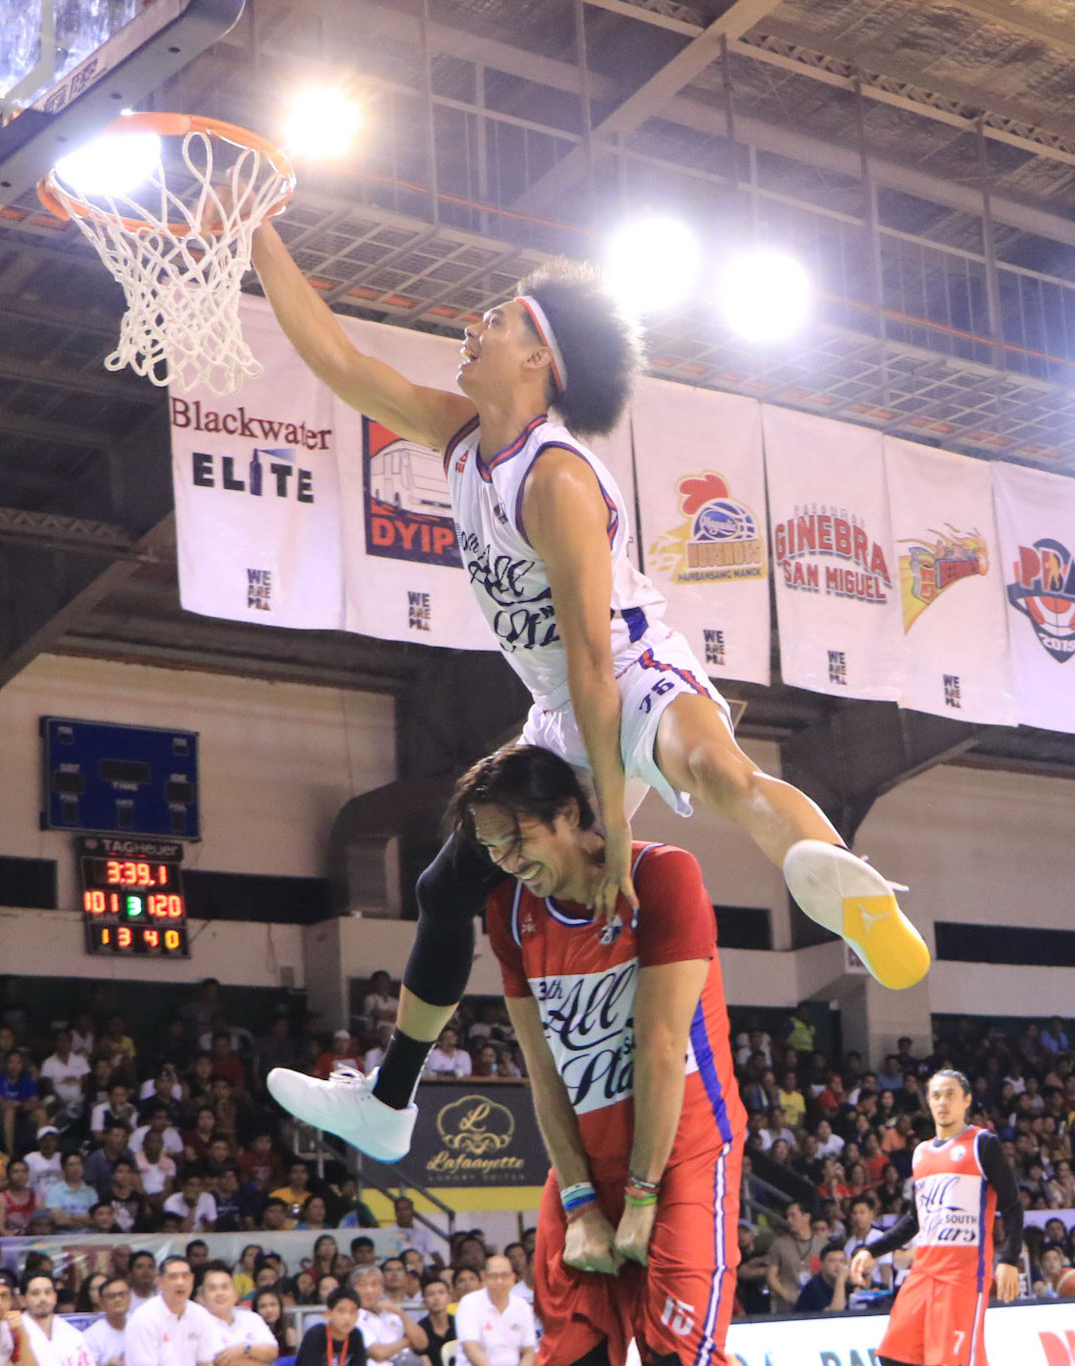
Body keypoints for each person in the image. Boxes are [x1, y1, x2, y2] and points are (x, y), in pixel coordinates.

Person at [252, 231, 929, 1162]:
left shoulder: (557, 479)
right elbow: (337, 358)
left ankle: (837, 878)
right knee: (446, 888)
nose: (470, 326)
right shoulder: (459, 438)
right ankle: (389, 1104)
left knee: (717, 767)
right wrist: (260, 235)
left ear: (539, 358)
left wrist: (610, 826)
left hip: (632, 666)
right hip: (559, 705)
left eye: (494, 318)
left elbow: (593, 660)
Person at [434, 745, 744, 1366]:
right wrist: (579, 1201)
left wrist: (640, 1197)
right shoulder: (509, 909)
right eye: (493, 850)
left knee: (675, 1357)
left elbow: (660, 1048)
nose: (508, 862)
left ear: (569, 815)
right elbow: (542, 1070)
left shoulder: (663, 876)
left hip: (683, 1155)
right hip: (584, 1168)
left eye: (518, 841)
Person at [850, 1071, 1024, 1366]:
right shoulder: (921, 1153)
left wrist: (1009, 1259)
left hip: (962, 1276)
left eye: (950, 1094)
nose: (942, 1102)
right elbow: (913, 1220)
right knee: (893, 1356)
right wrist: (871, 1250)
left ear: (966, 1099)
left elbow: (1013, 1205)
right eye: (936, 1095)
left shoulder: (983, 1143)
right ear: (928, 1102)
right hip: (924, 1273)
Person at [123, 1259, 207, 1366]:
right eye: (173, 1277)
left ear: (192, 1280)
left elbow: (206, 1360)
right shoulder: (144, 1318)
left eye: (185, 1276)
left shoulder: (200, 1314)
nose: (180, 1282)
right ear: (159, 1282)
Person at [453, 1261, 534, 1366]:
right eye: (494, 1276)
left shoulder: (522, 1305)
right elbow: (470, 1348)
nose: (499, 1281)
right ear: (484, 1278)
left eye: (505, 1276)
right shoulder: (469, 1302)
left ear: (513, 1278)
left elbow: (529, 1351)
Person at [193, 1265, 277, 1366]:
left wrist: (244, 1349)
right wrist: (258, 1359)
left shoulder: (252, 1318)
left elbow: (272, 1353)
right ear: (201, 1298)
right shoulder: (197, 1325)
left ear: (235, 1295)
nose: (220, 1293)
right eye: (213, 1289)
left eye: (225, 1287)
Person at [15, 1274, 89, 1366]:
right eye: (35, 1293)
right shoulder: (14, 1331)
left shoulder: (73, 1335)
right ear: (22, 1300)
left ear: (55, 1298)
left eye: (47, 1292)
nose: (43, 1298)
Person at [293, 1291, 364, 1366]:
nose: (347, 1317)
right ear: (329, 1314)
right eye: (341, 1311)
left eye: (352, 1312)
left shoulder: (356, 1335)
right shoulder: (315, 1335)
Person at [77, 1283, 127, 1366]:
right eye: (111, 1296)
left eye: (122, 1294)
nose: (118, 1299)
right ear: (102, 1302)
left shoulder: (139, 1327)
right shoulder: (91, 1335)